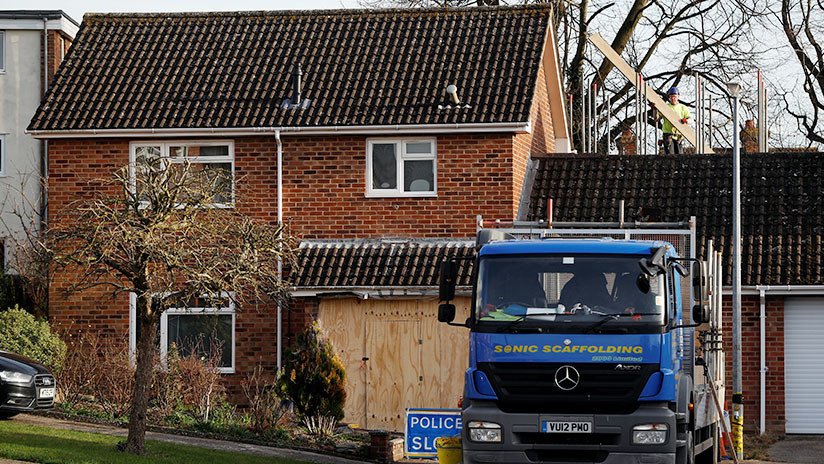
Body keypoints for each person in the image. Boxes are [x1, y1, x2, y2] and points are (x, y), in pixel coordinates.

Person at [661, 86, 691, 155]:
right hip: (668, 134)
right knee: (669, 156)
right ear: (669, 97)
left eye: (674, 96)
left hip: (679, 135)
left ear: (678, 96)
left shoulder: (683, 108)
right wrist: (655, 109)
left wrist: (686, 121)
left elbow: (690, 119)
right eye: (671, 96)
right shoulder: (665, 107)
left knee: (679, 156)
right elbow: (656, 118)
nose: (673, 98)